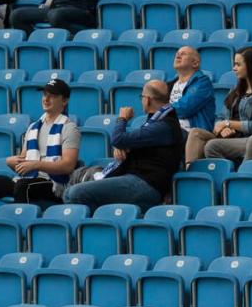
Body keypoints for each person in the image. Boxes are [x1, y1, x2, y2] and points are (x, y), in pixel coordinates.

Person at [65, 80, 184, 212]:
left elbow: (117, 138)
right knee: (68, 193)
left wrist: (122, 119)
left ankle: (104, 223)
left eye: (142, 97)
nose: (142, 101)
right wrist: (122, 148)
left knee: (76, 193)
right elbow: (125, 141)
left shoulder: (164, 125)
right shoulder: (156, 122)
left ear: (148, 100)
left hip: (146, 184)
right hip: (134, 179)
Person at [0, 79, 79, 205]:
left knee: (23, 186)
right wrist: (11, 162)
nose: (46, 99)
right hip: (28, 179)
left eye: (52, 96)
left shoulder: (69, 128)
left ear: (64, 100)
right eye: (45, 94)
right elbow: (24, 164)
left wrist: (36, 165)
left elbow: (67, 166)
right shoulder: (33, 127)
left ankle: (20, 222)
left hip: (54, 183)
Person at [184, 48, 252, 164]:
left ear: (250, 66)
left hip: (247, 139)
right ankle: (190, 175)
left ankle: (228, 173)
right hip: (226, 137)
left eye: (238, 65)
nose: (234, 68)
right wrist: (222, 128)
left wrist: (228, 124)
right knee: (195, 133)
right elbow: (220, 117)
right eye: (234, 64)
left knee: (211, 145)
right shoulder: (235, 91)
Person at [169, 46, 216, 133]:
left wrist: (161, 111)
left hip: (191, 133)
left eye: (183, 54)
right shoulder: (171, 84)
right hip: (172, 130)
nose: (178, 56)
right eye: (177, 54)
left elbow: (184, 108)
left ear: (195, 63)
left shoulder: (203, 82)